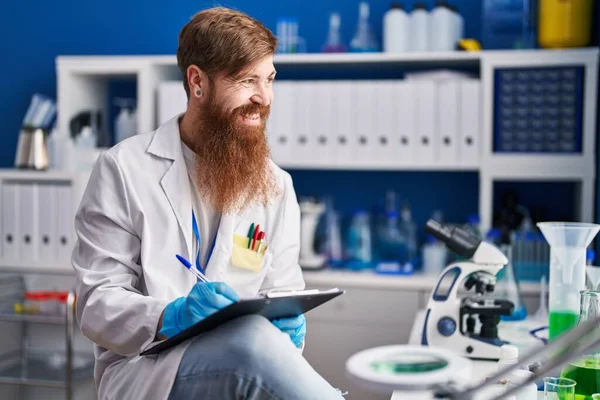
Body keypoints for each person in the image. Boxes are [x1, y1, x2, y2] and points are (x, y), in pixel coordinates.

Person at [72, 7, 344, 400]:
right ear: (197, 82)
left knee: (253, 340)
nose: (263, 98)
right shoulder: (123, 168)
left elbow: (283, 293)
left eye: (269, 79)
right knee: (249, 340)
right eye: (247, 80)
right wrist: (172, 315)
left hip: (245, 363)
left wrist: (290, 327)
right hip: (147, 368)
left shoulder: (276, 184)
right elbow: (97, 304)